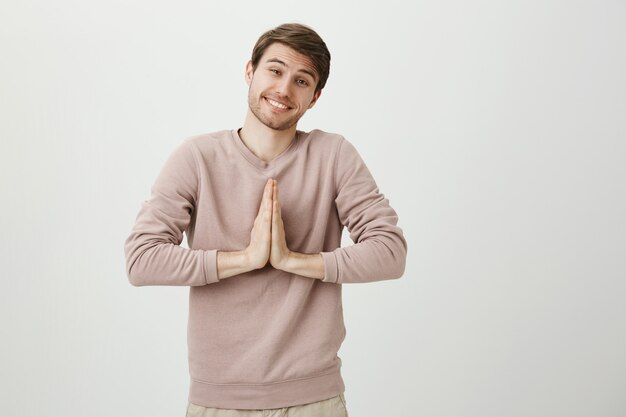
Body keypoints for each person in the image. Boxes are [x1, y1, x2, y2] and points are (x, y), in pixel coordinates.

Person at [124, 22, 407, 417]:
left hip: (314, 399)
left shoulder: (333, 155)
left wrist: (294, 260)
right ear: (249, 71)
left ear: (314, 97)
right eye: (275, 71)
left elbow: (391, 253)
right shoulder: (196, 158)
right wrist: (244, 258)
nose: (284, 89)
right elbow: (141, 260)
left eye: (301, 80)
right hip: (218, 399)